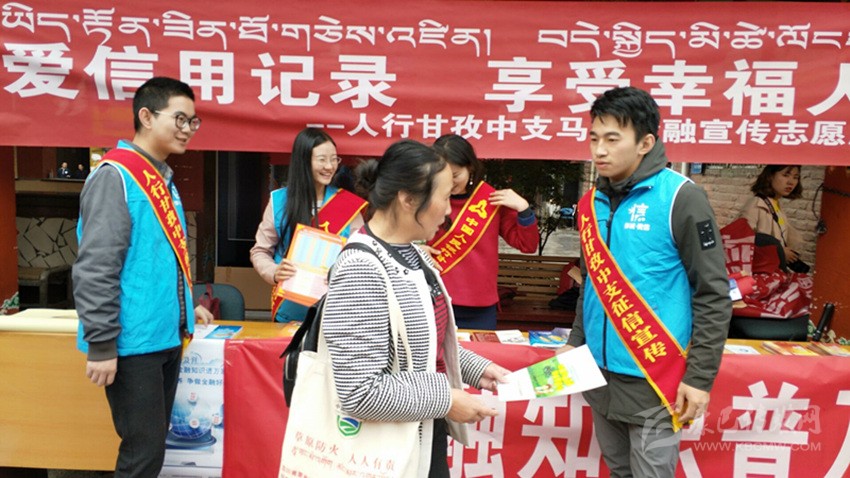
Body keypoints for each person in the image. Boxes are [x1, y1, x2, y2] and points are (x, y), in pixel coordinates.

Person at [559, 87, 731, 478]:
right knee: (618, 471)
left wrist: (699, 378)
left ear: (645, 143)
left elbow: (713, 294)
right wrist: (575, 342)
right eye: (593, 138)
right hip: (600, 375)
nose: (599, 150)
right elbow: (592, 285)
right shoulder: (590, 204)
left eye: (612, 139)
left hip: (655, 375)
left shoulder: (681, 199)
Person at [322, 139, 509, 476]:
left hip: (419, 434)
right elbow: (360, 392)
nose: (449, 210)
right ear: (408, 199)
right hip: (381, 454)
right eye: (443, 197)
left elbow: (421, 344)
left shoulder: (411, 254)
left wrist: (475, 369)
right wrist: (448, 399)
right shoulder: (360, 268)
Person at [72, 77, 214, 477]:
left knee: (151, 450)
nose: (187, 129)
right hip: (132, 343)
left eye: (193, 121)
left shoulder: (162, 179)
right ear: (147, 117)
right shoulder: (115, 176)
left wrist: (186, 307)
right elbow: (97, 267)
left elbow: (155, 260)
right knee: (142, 453)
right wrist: (102, 343)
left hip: (164, 337)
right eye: (180, 119)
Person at [250, 127, 366, 322]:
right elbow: (260, 251)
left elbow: (362, 256)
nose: (329, 166)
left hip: (336, 311)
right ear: (303, 161)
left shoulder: (349, 205)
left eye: (334, 159)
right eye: (322, 159)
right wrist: (274, 271)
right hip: (289, 310)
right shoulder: (279, 201)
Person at [428, 134, 539, 329]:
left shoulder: (491, 200)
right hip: (434, 300)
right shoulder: (425, 199)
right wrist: (416, 250)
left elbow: (528, 245)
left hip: (479, 307)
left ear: (470, 168)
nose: (450, 182)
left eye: (455, 175)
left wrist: (524, 209)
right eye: (442, 176)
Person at [739, 165, 804, 265]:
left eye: (795, 177)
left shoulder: (776, 204)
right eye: (785, 175)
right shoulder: (756, 204)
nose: (791, 182)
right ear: (770, 176)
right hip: (758, 270)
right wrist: (779, 252)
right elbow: (741, 241)